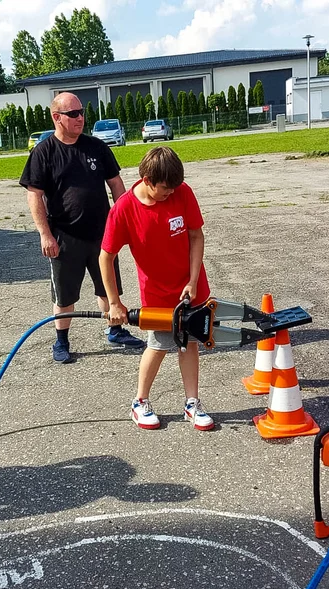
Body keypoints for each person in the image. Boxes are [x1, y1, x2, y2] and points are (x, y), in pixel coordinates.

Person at [20, 92, 146, 364]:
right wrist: (45, 234)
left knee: (108, 288)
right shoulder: (44, 152)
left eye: (82, 112)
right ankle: (62, 341)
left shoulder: (96, 147)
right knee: (65, 296)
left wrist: (122, 221)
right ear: (57, 118)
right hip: (64, 237)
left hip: (102, 234)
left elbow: (115, 184)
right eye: (73, 114)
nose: (81, 118)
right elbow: (34, 195)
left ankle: (115, 330)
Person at [100, 146, 214, 431]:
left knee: (189, 343)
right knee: (159, 345)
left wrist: (192, 279)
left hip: (191, 287)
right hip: (158, 295)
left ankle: (192, 403)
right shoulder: (124, 209)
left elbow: (196, 235)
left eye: (175, 187)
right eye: (165, 188)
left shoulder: (182, 192)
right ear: (147, 179)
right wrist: (115, 303)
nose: (171, 193)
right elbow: (106, 256)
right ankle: (140, 402)